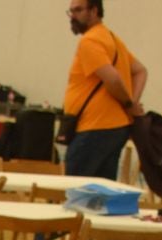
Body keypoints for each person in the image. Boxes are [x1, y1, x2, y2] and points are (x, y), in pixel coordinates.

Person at [61, 0, 145, 184]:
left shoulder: (90, 41)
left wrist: (130, 104)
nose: (73, 16)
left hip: (95, 126)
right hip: (115, 127)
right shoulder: (112, 39)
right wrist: (133, 102)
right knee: (101, 192)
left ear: (94, 11)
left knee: (76, 189)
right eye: (71, 12)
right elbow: (140, 71)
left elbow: (112, 79)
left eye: (78, 10)